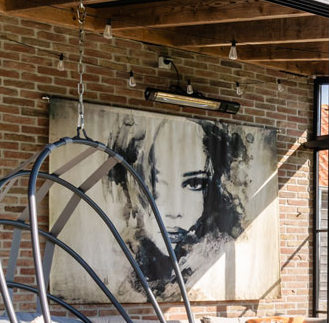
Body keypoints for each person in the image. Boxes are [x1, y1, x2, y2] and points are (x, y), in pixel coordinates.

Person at [102, 112, 250, 298]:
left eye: (194, 184)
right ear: (135, 187)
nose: (174, 212)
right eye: (155, 183)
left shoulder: (214, 255)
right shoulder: (118, 268)